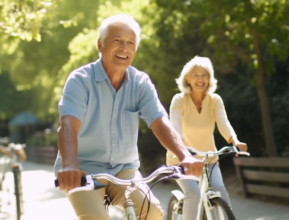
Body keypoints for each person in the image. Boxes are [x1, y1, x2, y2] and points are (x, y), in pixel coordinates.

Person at [54, 14, 203, 220]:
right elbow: (68, 124)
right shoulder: (80, 80)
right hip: (82, 169)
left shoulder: (140, 82)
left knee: (151, 212)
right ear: (100, 45)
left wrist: (184, 155)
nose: (124, 48)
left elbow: (159, 122)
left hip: (125, 171)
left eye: (130, 43)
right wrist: (69, 165)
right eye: (117, 41)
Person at [166, 56, 248, 220]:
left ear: (209, 78)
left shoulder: (215, 100)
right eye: (196, 75)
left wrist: (235, 141)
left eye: (204, 75)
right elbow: (174, 126)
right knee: (193, 194)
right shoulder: (179, 100)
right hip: (182, 159)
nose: (200, 79)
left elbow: (223, 123)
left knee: (219, 189)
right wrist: (181, 149)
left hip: (208, 158)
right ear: (187, 78)